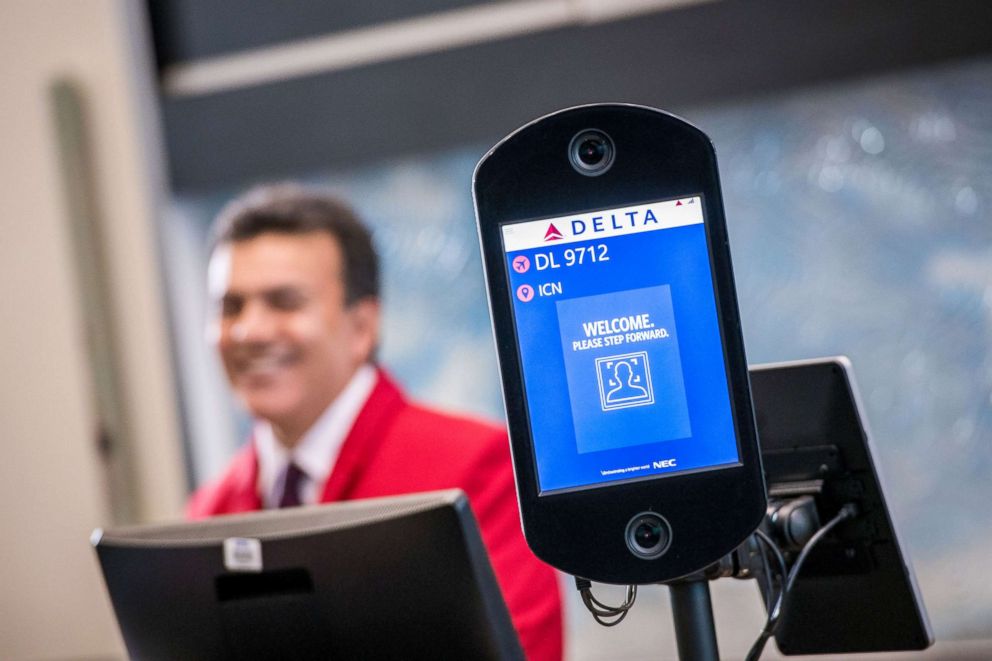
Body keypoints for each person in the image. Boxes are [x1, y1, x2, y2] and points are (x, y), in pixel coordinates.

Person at [186, 184, 562, 660]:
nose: (249, 331)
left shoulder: (477, 472)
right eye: (230, 307)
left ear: (362, 327)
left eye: (284, 302)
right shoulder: (209, 513)